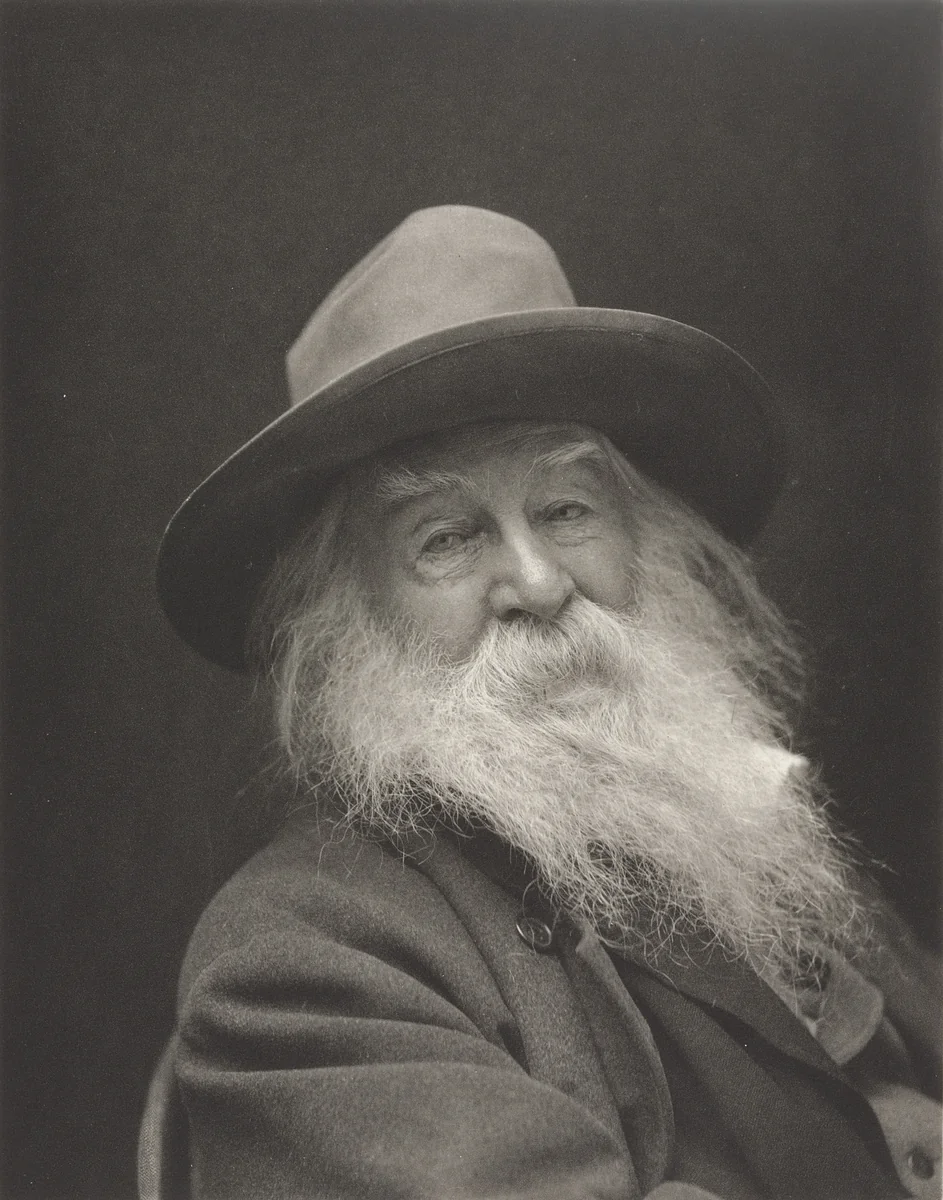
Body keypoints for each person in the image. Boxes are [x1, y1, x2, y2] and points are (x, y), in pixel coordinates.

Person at [156, 206, 941, 1199]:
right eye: (445, 539)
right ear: (345, 617)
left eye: (567, 510)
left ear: (643, 538)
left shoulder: (748, 835)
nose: (537, 582)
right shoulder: (303, 956)